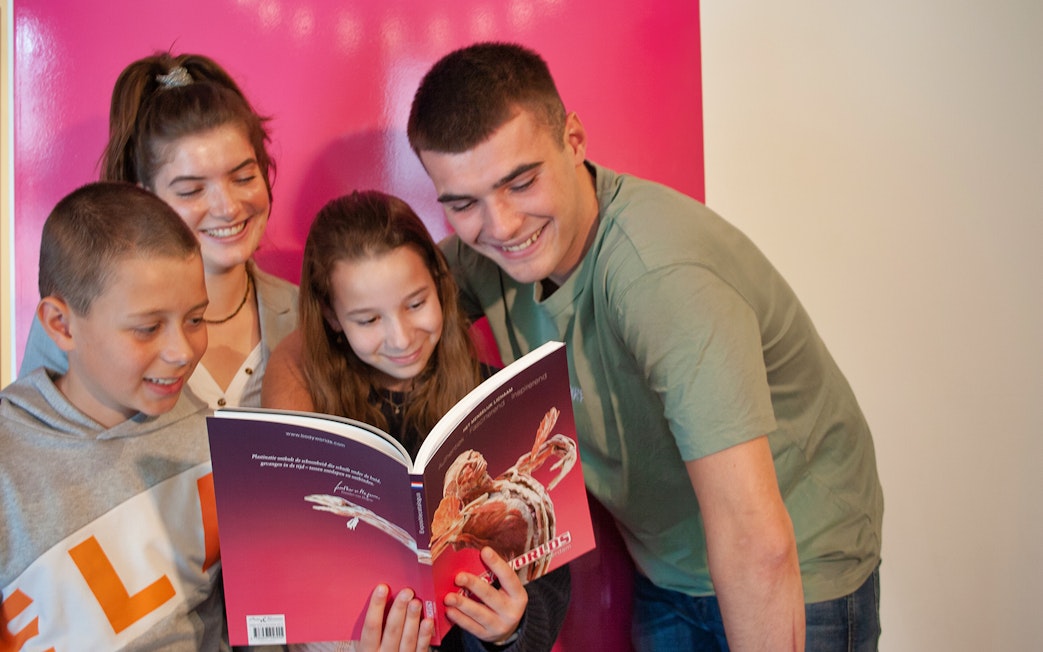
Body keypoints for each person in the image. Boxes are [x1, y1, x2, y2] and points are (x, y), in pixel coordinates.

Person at [405, 42, 884, 651]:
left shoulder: (659, 276)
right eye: (464, 204)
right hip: (670, 568)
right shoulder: (488, 253)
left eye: (521, 182)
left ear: (574, 141)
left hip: (799, 561)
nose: (499, 226)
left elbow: (756, 539)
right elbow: (357, 305)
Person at [262, 190, 570, 651]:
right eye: (367, 319)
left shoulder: (498, 398)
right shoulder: (306, 416)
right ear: (331, 317)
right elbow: (275, 597)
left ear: (440, 283)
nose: (401, 337)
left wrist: (513, 629)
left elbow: (548, 576)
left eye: (416, 303)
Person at [1, 182, 224, 648]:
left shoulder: (218, 446)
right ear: (61, 324)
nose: (182, 351)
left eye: (196, 319)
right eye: (147, 328)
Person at [19, 51, 297, 410]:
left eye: (244, 177)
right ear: (145, 196)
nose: (227, 207)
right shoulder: (83, 321)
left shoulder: (306, 314)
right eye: (191, 190)